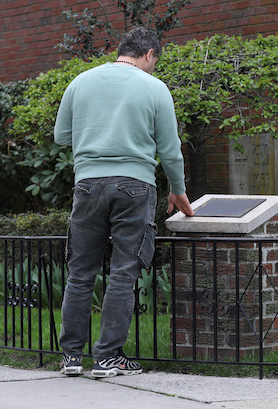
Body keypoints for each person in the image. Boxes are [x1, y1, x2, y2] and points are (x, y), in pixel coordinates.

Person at [54, 26, 194, 378]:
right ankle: (108, 358)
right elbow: (170, 149)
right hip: (135, 186)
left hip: (86, 185)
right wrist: (177, 189)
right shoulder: (154, 88)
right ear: (149, 55)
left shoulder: (80, 81)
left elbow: (61, 137)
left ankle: (71, 357)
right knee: (122, 273)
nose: (154, 68)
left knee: (80, 273)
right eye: (155, 62)